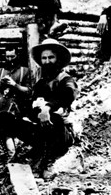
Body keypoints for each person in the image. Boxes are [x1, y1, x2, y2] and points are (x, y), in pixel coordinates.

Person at [25, 39, 78, 176]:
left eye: (51, 57)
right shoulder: (41, 83)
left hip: (61, 132)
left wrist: (47, 107)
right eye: (44, 58)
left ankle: (50, 159)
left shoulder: (65, 79)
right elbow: (31, 104)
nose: (47, 61)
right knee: (5, 118)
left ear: (58, 59)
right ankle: (36, 152)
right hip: (42, 128)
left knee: (55, 118)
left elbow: (68, 95)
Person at [0, 46, 31, 160]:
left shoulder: (24, 71)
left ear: (17, 56)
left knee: (8, 122)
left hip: (17, 104)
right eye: (7, 57)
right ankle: (1, 145)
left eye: (12, 56)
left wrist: (15, 85)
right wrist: (0, 84)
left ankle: (12, 151)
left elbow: (29, 91)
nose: (10, 59)